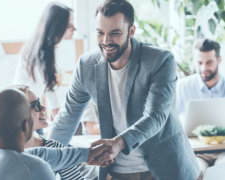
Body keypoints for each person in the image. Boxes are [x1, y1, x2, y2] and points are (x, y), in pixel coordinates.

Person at [49, 0, 200, 180]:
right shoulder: (86, 66)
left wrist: (119, 143)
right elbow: (67, 118)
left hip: (166, 167)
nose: (106, 41)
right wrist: (45, 159)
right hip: (120, 171)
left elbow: (156, 116)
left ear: (131, 31)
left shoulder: (159, 60)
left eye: (115, 33)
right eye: (100, 33)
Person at [0, 89, 111, 180]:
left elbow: (38, 154)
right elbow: (34, 161)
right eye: (35, 106)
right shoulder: (35, 169)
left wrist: (87, 154)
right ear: (26, 125)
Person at [13, 2, 76, 122]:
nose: (74, 29)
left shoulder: (44, 48)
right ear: (56, 27)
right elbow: (48, 84)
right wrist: (55, 109)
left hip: (28, 110)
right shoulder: (40, 51)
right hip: (23, 113)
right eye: (68, 26)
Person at [176, 39, 225, 173]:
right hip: (196, 153)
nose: (204, 68)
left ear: (219, 60)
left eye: (209, 62)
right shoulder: (183, 86)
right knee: (196, 173)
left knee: (221, 173)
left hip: (223, 151)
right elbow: (172, 121)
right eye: (199, 63)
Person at [14, 85, 83, 180]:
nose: (43, 108)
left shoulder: (53, 147)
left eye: (40, 102)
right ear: (18, 113)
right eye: (35, 104)